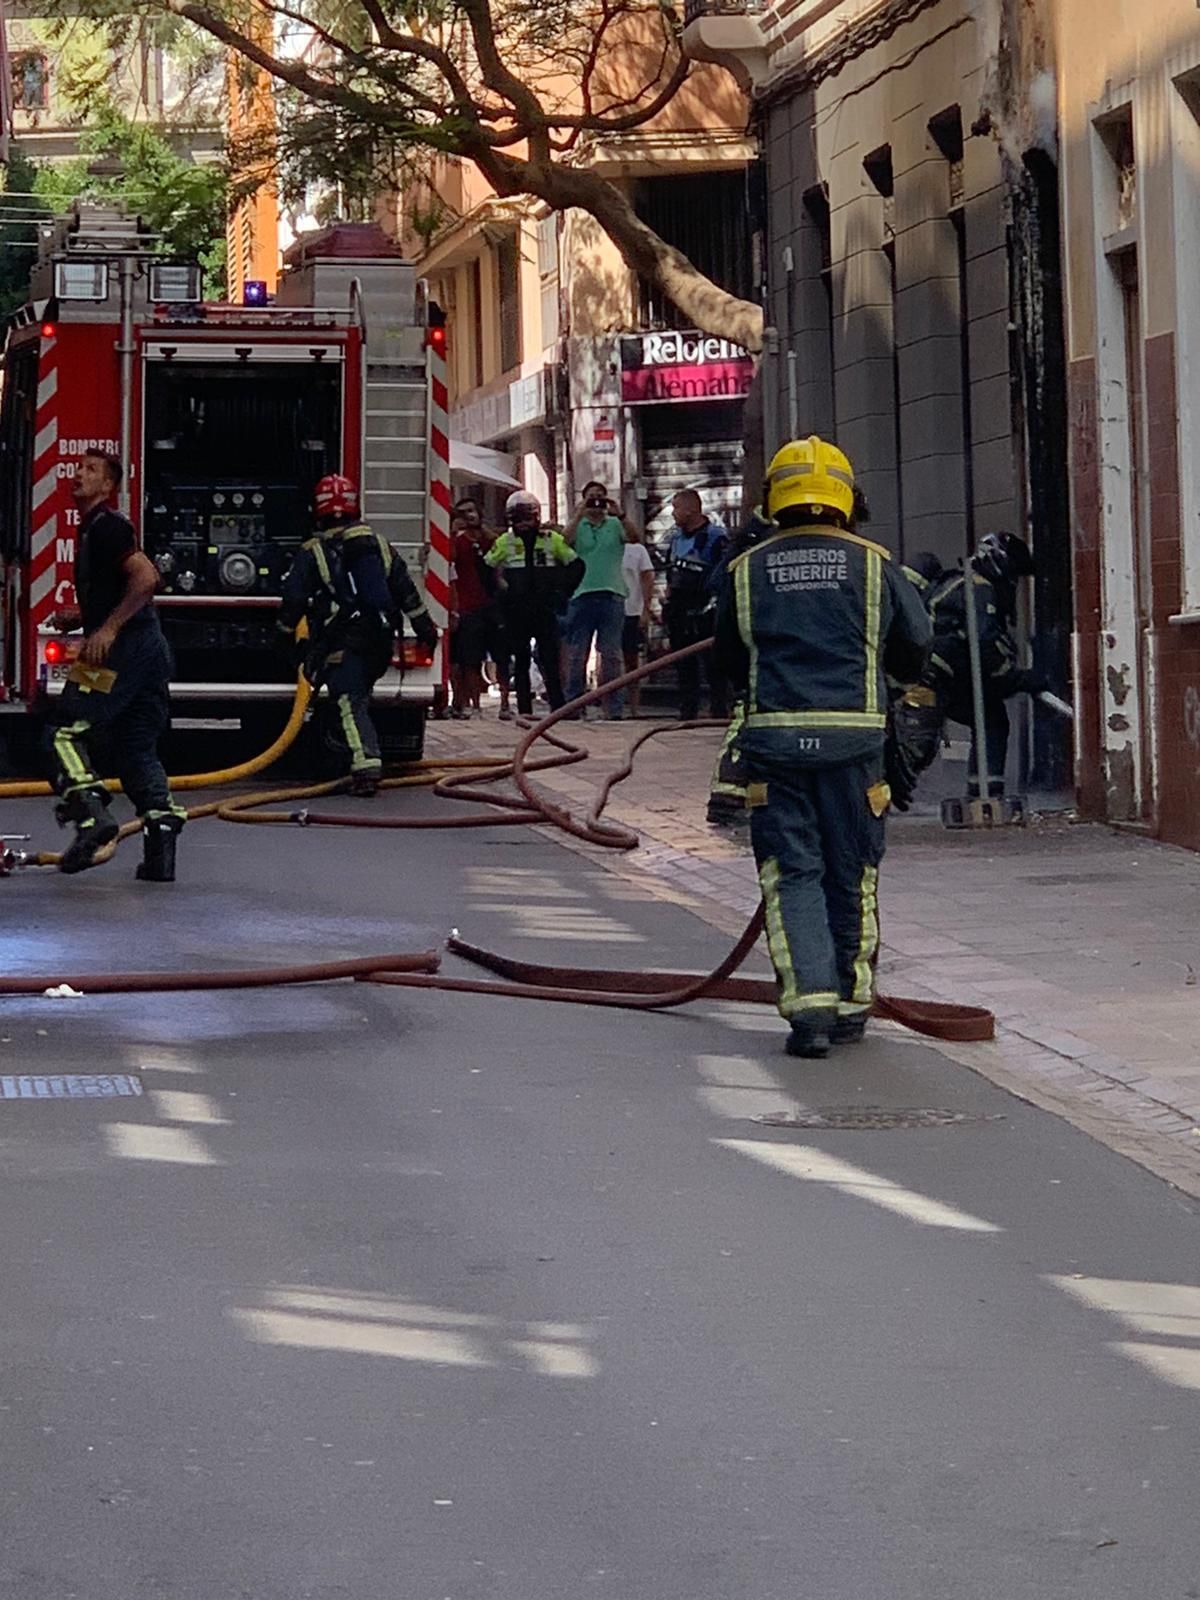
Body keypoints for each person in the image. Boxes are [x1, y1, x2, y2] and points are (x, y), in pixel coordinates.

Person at [714, 435, 931, 1058]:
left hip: (773, 750)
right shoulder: (875, 564)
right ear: (847, 499)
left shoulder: (745, 570)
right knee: (853, 871)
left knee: (791, 875)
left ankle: (810, 1012)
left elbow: (728, 660)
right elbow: (915, 647)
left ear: (773, 500)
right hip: (855, 750)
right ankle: (853, 1003)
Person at [46, 449, 187, 880]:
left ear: (108, 486)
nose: (79, 475)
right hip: (148, 651)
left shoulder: (106, 527)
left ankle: (92, 818)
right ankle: (160, 853)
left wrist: (105, 630)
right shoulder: (94, 529)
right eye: (80, 468)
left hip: (120, 653)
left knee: (62, 730)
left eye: (91, 471)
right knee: (135, 748)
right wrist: (83, 616)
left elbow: (147, 578)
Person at [279, 473, 437, 796]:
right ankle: (342, 755)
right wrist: (425, 631)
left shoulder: (313, 552)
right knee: (356, 696)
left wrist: (283, 637)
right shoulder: (380, 545)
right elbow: (407, 593)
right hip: (379, 638)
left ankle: (366, 766)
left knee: (348, 701)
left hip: (344, 641)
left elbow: (294, 599)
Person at [924, 531, 1041, 799]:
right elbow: (985, 643)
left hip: (931, 671)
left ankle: (983, 793)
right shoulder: (979, 588)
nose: (1014, 583)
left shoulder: (959, 582)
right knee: (990, 718)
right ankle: (987, 796)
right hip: (941, 673)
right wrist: (1016, 679)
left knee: (990, 716)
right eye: (1015, 574)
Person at [485, 489, 579, 716]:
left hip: (544, 608)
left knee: (550, 659)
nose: (524, 524)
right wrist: (499, 596)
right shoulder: (504, 541)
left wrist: (562, 592)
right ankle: (525, 710)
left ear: (536, 516)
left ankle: (558, 707)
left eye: (527, 518)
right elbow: (486, 568)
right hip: (516, 610)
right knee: (521, 661)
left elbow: (576, 565)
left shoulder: (551, 540)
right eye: (518, 519)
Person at [562, 481, 637, 718]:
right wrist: (579, 513)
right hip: (581, 595)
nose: (596, 502)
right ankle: (574, 706)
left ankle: (613, 708)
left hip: (612, 595)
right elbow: (564, 542)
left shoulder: (615, 524)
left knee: (612, 655)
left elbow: (636, 538)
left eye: (600, 497)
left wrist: (620, 514)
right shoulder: (578, 524)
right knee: (577, 654)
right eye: (591, 497)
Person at [664, 489, 731, 721]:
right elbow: (670, 571)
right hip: (680, 610)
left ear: (691, 509)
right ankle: (687, 711)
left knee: (715, 664)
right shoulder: (675, 539)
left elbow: (724, 573)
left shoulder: (716, 537)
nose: (673, 514)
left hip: (706, 609)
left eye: (676, 508)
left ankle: (719, 710)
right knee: (684, 663)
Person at [450, 497, 512, 720]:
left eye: (472, 511)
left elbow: (500, 549)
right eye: (464, 512)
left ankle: (505, 703)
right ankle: (474, 705)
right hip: (468, 606)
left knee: (502, 656)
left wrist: (479, 527)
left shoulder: (489, 538)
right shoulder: (458, 541)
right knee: (470, 659)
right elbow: (450, 559)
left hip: (493, 604)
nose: (469, 516)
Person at [621, 533, 656, 717]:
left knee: (631, 661)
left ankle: (634, 708)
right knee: (609, 658)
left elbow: (648, 578)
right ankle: (612, 707)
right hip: (612, 609)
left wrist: (645, 609)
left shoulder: (637, 550)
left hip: (632, 610)